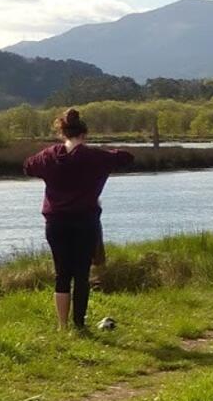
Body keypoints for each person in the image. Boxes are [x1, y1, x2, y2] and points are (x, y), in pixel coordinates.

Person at [23, 109, 134, 333]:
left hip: (56, 222)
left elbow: (28, 166)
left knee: (61, 273)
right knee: (81, 274)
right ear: (84, 134)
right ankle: (79, 324)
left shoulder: (48, 156)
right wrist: (103, 156)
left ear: (62, 132)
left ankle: (62, 326)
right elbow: (126, 158)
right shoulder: (95, 157)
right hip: (85, 221)